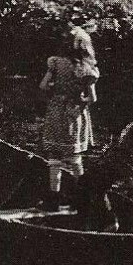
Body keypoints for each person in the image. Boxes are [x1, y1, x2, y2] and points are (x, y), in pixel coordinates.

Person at [39, 18, 100, 207]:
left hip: (56, 113)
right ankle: (82, 199)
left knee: (55, 159)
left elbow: (42, 86)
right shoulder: (86, 69)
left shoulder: (55, 63)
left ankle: (53, 199)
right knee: (75, 160)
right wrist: (80, 101)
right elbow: (93, 99)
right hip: (74, 116)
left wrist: (54, 88)